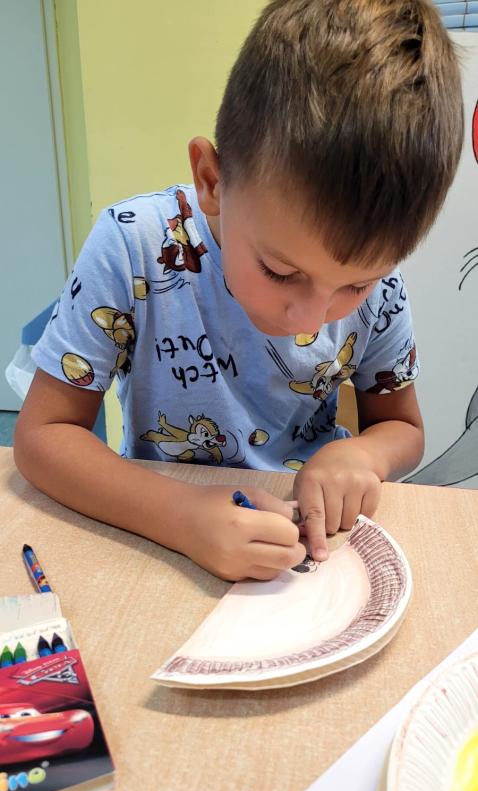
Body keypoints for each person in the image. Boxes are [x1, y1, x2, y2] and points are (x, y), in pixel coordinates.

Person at [14, 0, 463, 582]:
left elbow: (404, 428)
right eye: (279, 271)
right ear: (211, 180)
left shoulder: (383, 289)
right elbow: (42, 437)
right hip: (159, 532)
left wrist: (362, 453)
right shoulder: (132, 246)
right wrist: (181, 516)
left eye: (355, 284)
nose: (310, 319)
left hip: (304, 549)